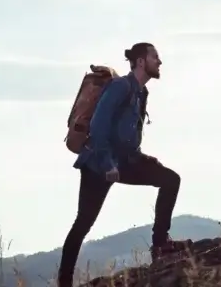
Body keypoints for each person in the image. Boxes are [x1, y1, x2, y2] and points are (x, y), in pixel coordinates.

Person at [57, 43, 191, 287]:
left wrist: (141, 158)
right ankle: (64, 282)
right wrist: (108, 164)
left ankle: (160, 245)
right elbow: (98, 127)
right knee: (83, 223)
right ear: (141, 61)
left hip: (125, 162)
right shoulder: (120, 87)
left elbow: (128, 134)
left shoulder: (141, 93)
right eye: (155, 57)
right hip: (98, 164)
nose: (159, 62)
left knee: (170, 180)